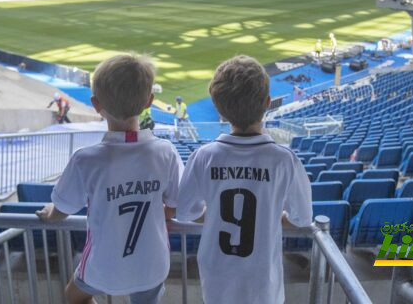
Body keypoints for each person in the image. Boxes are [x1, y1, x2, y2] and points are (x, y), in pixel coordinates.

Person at [36, 54, 182, 304]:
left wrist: (49, 214)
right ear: (149, 101)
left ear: (96, 104)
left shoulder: (86, 159)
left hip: (103, 265)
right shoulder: (165, 152)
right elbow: (177, 203)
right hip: (152, 265)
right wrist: (162, 213)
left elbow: (62, 209)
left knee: (74, 297)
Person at [176, 55, 312, 304]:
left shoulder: (203, 157)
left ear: (219, 108)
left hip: (216, 276)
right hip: (263, 281)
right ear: (267, 103)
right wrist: (272, 215)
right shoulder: (284, 160)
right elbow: (302, 218)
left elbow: (185, 212)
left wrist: (215, 213)